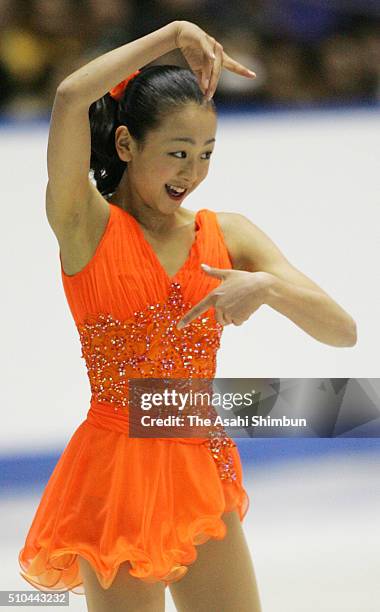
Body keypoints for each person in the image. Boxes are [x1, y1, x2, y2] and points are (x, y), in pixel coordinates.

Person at [18, 20, 357, 612]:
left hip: (198, 456)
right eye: (176, 153)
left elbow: (342, 331)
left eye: (205, 154)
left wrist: (270, 287)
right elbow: (72, 96)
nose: (192, 172)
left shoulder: (226, 233)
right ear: (126, 145)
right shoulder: (86, 224)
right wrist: (172, 35)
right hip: (117, 470)